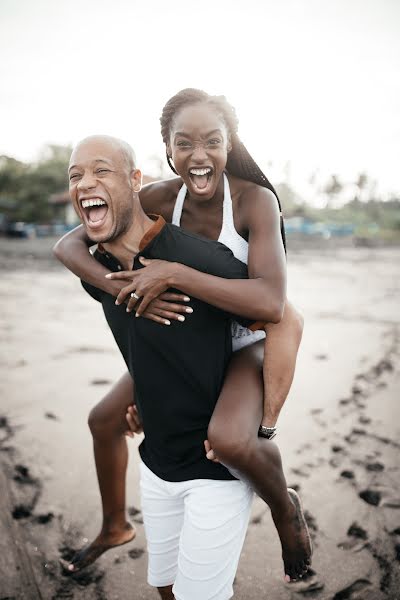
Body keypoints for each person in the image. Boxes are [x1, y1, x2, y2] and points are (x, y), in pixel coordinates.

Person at [54, 89, 311, 584]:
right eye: (183, 143)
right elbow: (69, 244)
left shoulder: (255, 201)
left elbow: (271, 305)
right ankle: (114, 525)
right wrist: (116, 288)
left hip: (246, 339)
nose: (198, 155)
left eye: (212, 142)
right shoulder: (159, 196)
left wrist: (173, 274)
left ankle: (284, 507)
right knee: (105, 418)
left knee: (230, 440)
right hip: (190, 338)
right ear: (167, 150)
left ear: (229, 144)